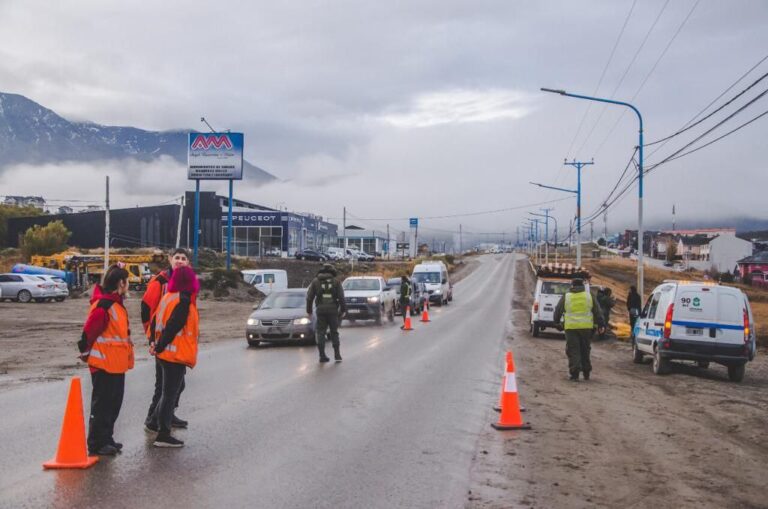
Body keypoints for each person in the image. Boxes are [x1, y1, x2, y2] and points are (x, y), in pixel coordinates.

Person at [77, 264, 134, 456]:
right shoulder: (104, 305)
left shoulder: (116, 304)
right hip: (103, 364)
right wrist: (85, 351)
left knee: (113, 404)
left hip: (115, 363)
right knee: (102, 405)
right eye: (127, 282)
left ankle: (107, 438)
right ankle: (96, 443)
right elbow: (89, 332)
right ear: (121, 282)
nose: (129, 286)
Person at [149, 265, 200, 448]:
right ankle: (163, 434)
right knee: (170, 394)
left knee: (169, 391)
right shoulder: (183, 301)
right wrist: (160, 345)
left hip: (165, 353)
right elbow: (173, 326)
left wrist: (154, 343)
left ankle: (154, 421)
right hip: (173, 353)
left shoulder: (168, 298)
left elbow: (156, 321)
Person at [143, 248, 190, 432]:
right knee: (163, 385)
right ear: (170, 260)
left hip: (177, 343)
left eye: (183, 258)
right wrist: (152, 338)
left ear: (188, 262)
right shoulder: (160, 282)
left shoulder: (186, 283)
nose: (179, 261)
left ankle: (167, 413)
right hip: (162, 341)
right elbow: (148, 310)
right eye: (176, 257)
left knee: (178, 383)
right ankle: (153, 419)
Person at [553, 278, 605, 381]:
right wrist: (601, 324)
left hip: (571, 328)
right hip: (586, 328)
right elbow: (597, 311)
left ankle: (575, 373)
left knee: (573, 349)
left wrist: (556, 322)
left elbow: (558, 310)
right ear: (582, 286)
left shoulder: (566, 296)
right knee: (585, 349)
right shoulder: (589, 296)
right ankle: (586, 372)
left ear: (572, 285)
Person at [306, 263, 346, 363]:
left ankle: (322, 355)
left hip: (320, 310)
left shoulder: (315, 281)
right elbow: (341, 297)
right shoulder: (336, 281)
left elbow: (309, 297)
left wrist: (309, 311)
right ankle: (337, 354)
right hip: (333, 310)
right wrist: (343, 310)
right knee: (334, 332)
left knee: (320, 332)